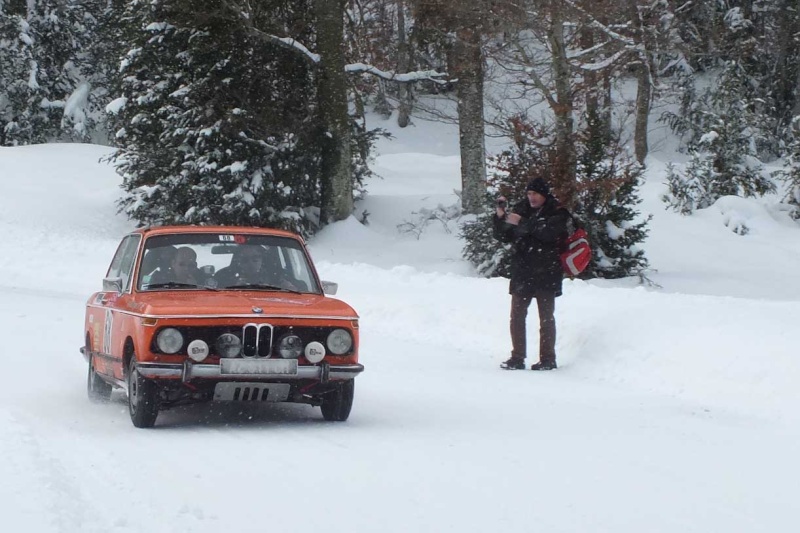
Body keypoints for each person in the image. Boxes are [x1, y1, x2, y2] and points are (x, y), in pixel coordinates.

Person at [493, 177, 569, 371]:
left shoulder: (557, 211)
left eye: (535, 194)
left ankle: (548, 359)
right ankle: (517, 357)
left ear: (544, 195)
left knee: (546, 317)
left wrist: (523, 223)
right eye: (529, 194)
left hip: (547, 271)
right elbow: (503, 235)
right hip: (523, 270)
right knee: (517, 315)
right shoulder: (521, 209)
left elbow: (548, 234)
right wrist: (500, 216)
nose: (531, 198)